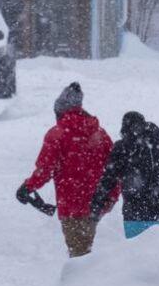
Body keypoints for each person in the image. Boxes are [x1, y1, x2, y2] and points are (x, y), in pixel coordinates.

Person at [16, 82, 117, 258]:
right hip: (96, 203)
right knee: (85, 250)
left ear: (60, 111)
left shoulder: (58, 134)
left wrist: (27, 187)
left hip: (71, 204)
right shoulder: (100, 134)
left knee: (79, 256)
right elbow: (115, 168)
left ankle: (83, 284)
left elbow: (45, 169)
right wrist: (110, 199)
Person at [90, 111, 159, 239]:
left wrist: (96, 205)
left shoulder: (122, 148)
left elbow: (108, 180)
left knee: (138, 256)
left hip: (134, 214)